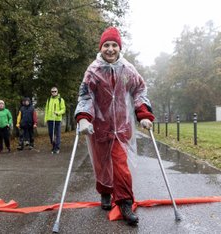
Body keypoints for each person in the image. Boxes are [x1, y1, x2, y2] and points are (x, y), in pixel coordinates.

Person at [74, 27, 154, 226]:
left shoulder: (128, 70)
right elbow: (85, 96)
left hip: (121, 128)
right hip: (98, 128)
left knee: (120, 165)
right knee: (102, 165)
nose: (110, 49)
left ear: (120, 48)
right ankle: (105, 192)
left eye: (114, 45)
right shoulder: (93, 71)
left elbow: (139, 90)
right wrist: (83, 118)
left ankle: (125, 202)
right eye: (106, 45)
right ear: (101, 48)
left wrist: (143, 114)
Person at [44, 87, 66, 154]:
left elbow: (63, 109)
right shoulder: (48, 99)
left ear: (57, 92)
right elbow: (46, 110)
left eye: (55, 91)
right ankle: (53, 146)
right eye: (52, 91)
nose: (53, 92)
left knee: (57, 134)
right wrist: (46, 119)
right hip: (50, 119)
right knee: (51, 134)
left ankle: (57, 148)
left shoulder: (60, 100)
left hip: (57, 119)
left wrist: (58, 113)